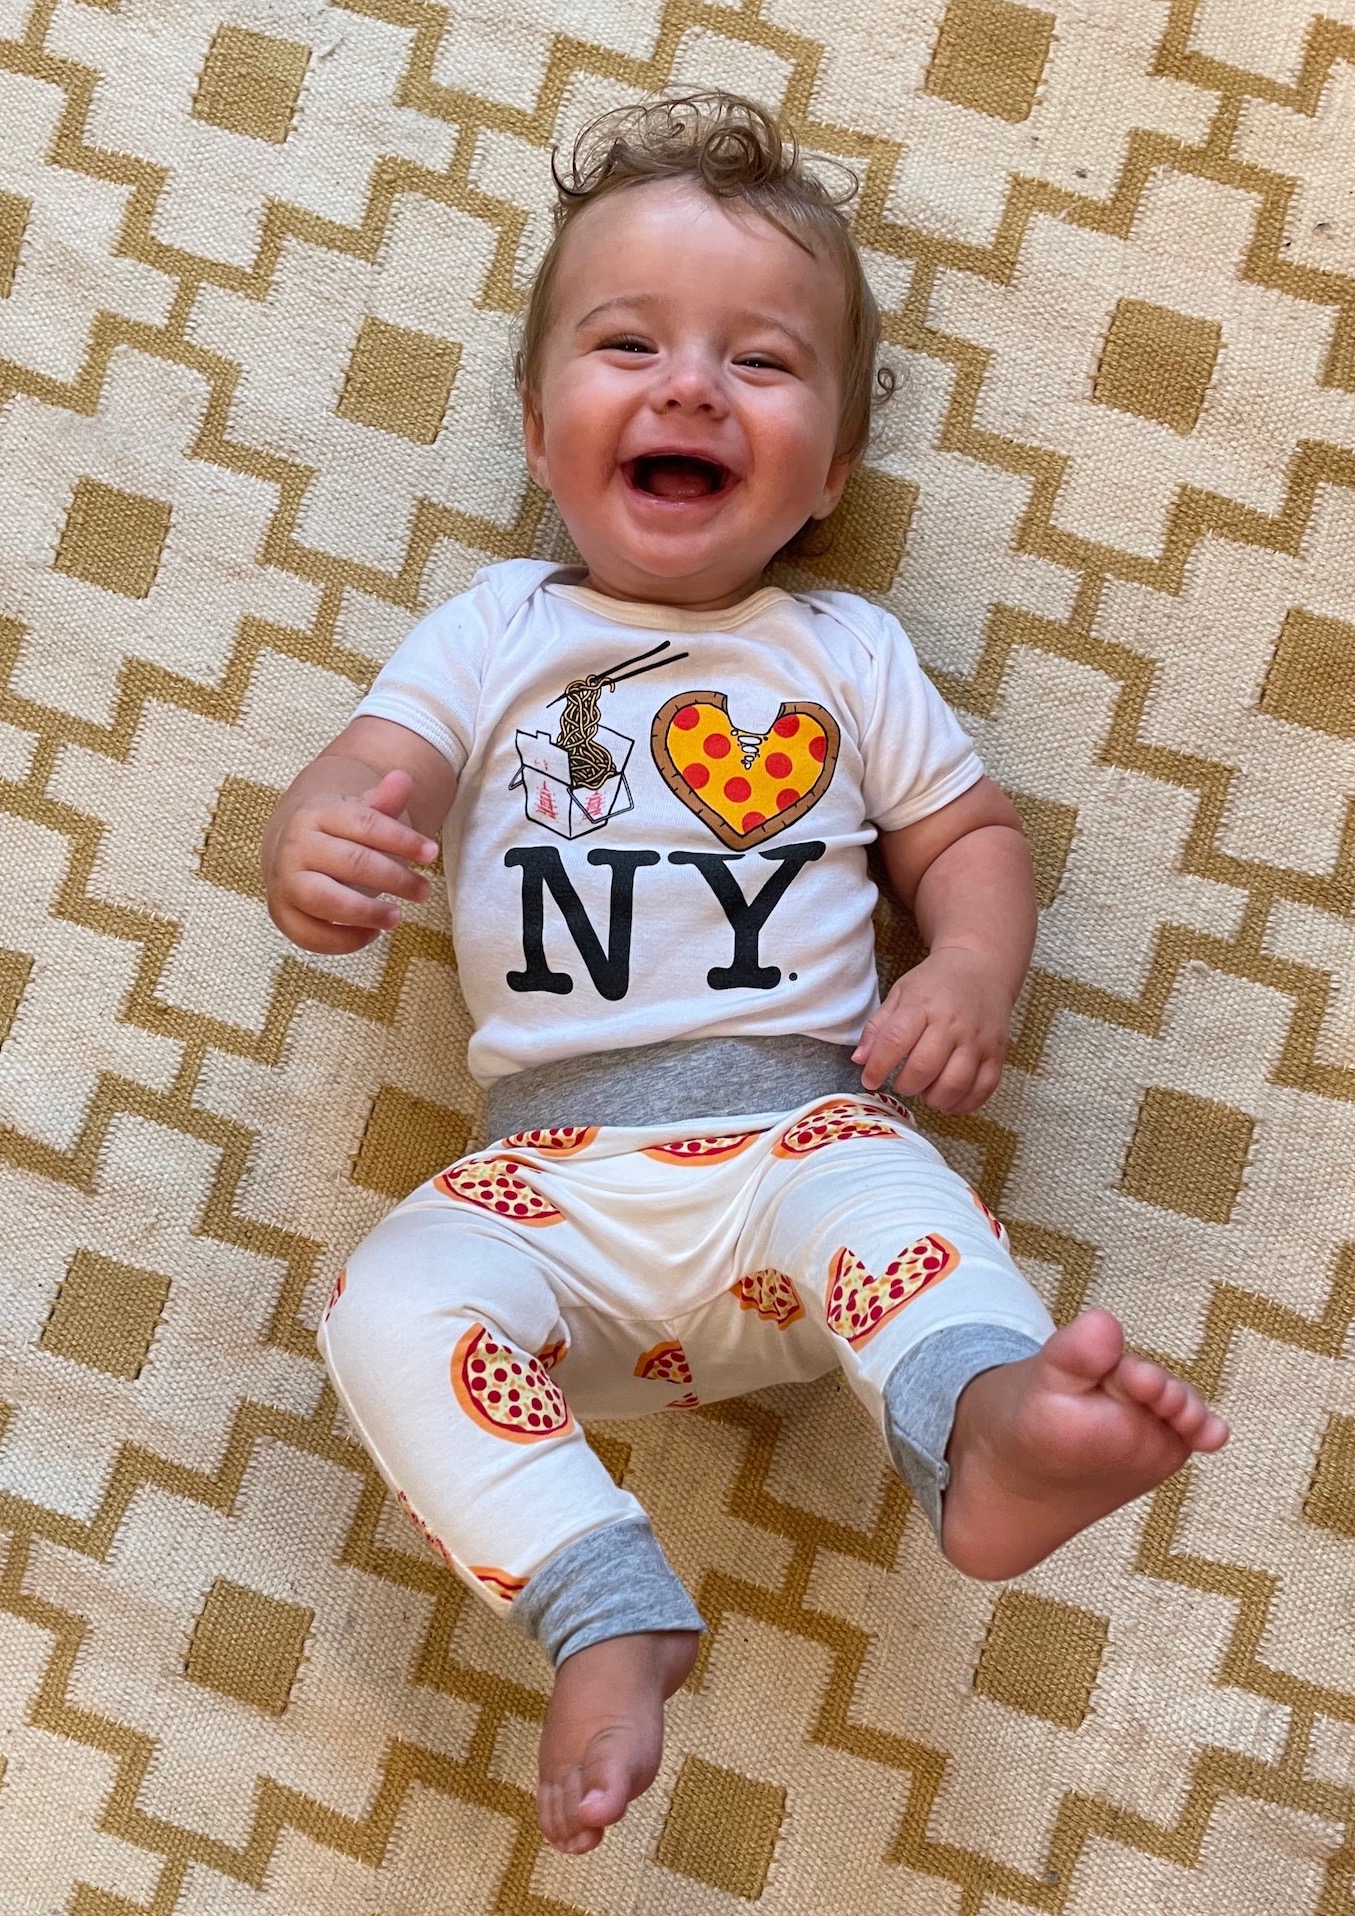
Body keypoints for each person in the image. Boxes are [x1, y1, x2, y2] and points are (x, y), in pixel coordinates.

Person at [261, 92, 1228, 1859]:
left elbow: (970, 836)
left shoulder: (841, 649)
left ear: (836, 469)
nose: (692, 387)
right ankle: (602, 1600)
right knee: (387, 1293)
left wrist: (974, 967)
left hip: (796, 1154)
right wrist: (318, 840)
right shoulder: (495, 627)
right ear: (545, 431)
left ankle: (994, 1428)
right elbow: (367, 765)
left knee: (905, 1221)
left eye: (763, 364)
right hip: (547, 1189)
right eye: (627, 345)